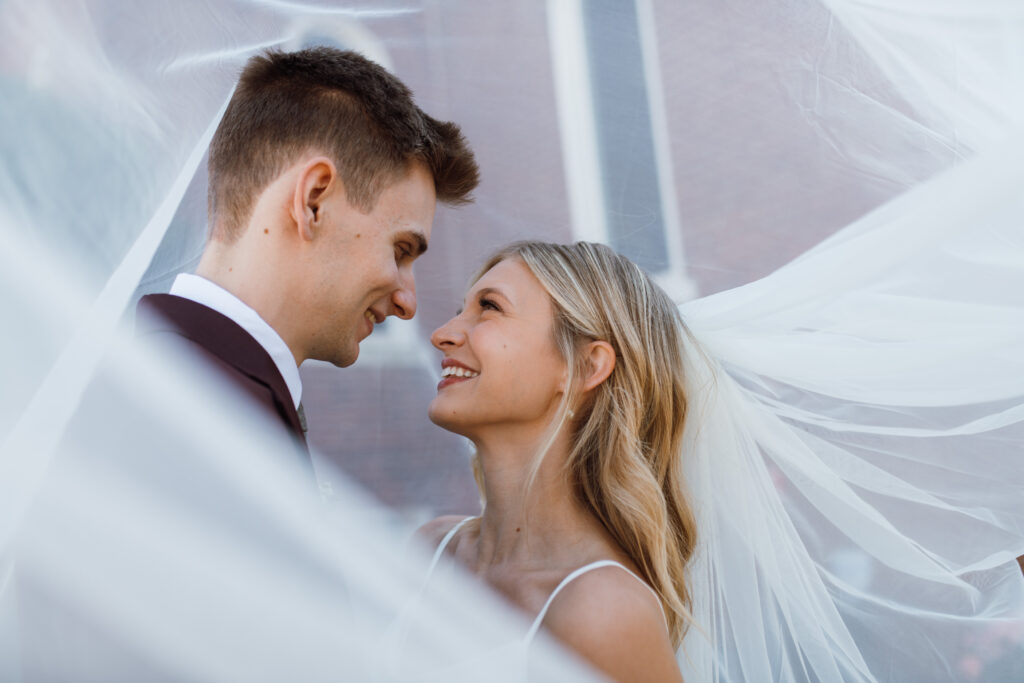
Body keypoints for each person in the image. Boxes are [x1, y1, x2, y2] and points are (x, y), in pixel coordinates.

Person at [136, 46, 479, 470]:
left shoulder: (171, 376)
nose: (408, 303)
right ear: (314, 201)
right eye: (400, 250)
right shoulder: (195, 411)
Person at [417, 241, 692, 682]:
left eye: (489, 307)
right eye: (459, 309)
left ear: (584, 366)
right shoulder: (428, 551)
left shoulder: (603, 612)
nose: (443, 332)